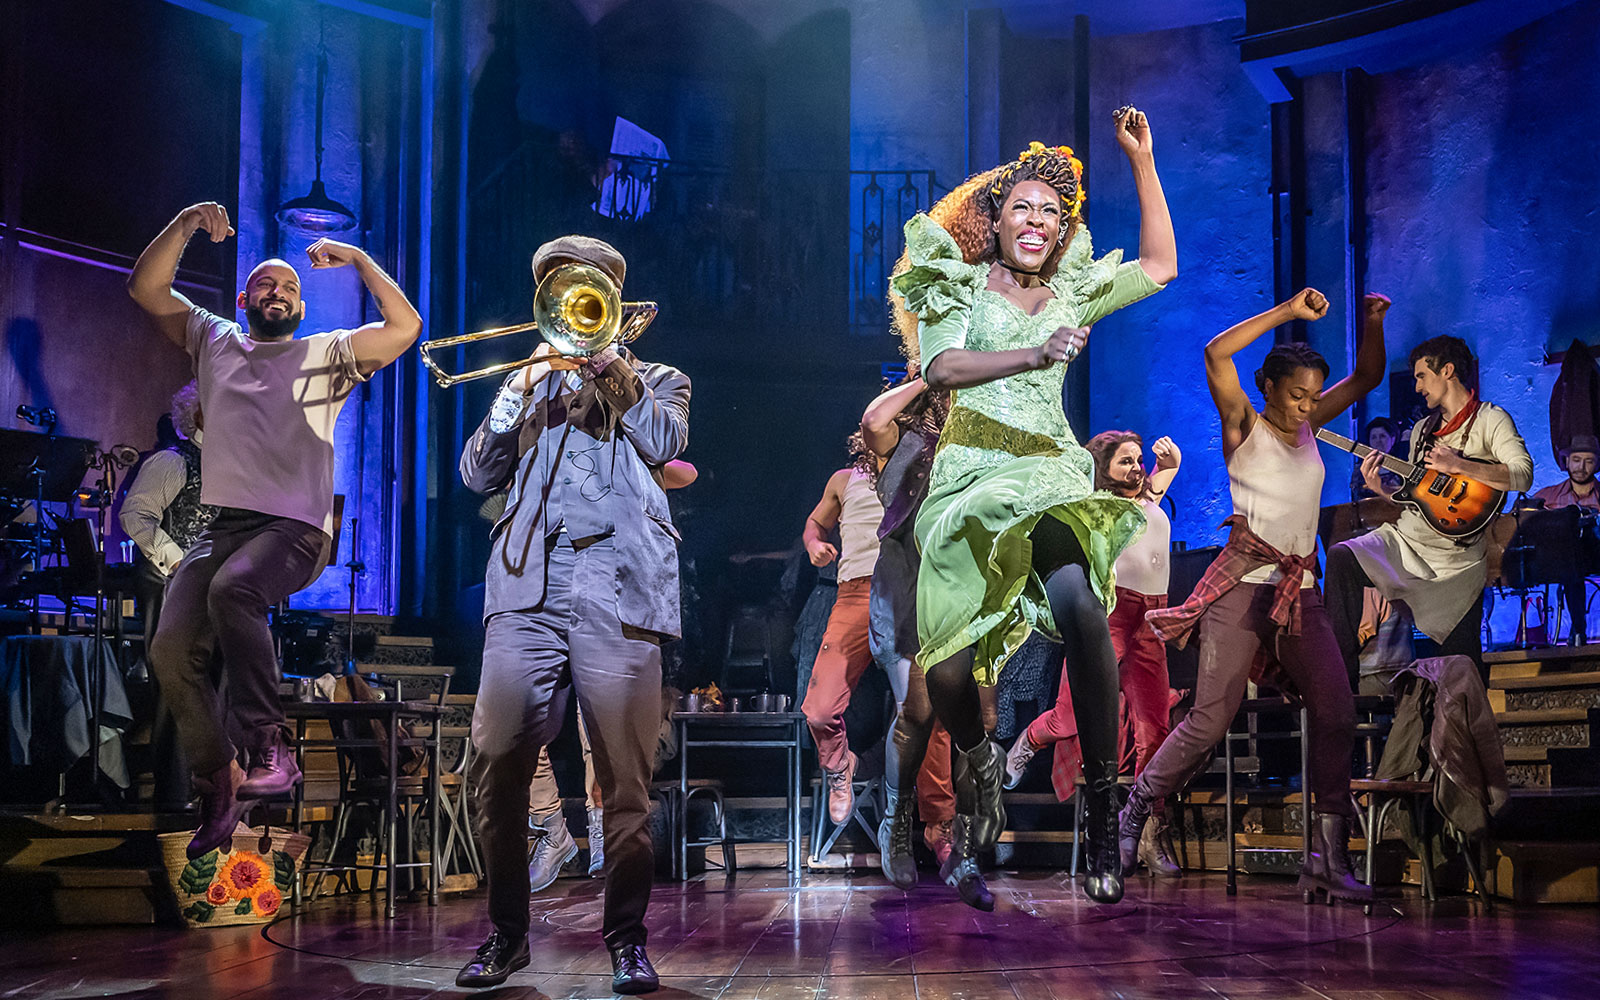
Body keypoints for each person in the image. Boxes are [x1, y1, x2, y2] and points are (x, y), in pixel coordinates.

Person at [889, 107, 1177, 908]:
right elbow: (942, 365)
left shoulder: (1070, 293)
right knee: (946, 674)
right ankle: (981, 759)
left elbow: (1159, 265)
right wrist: (1034, 351)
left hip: (1047, 471)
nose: (1038, 220)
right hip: (970, 476)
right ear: (997, 216)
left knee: (1082, 604)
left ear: (1060, 231)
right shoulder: (957, 281)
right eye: (1023, 206)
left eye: (1052, 212)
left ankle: (1100, 803)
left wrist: (1143, 160)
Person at [128, 202, 421, 858]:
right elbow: (145, 288)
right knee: (170, 649)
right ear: (243, 299)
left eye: (289, 286)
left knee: (234, 589)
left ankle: (268, 746)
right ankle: (219, 779)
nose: (279, 291)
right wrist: (182, 223)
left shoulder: (329, 353)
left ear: (302, 305)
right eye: (266, 283)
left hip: (295, 529)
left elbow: (405, 326)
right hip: (225, 526)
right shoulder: (214, 339)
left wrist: (359, 260)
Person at [456, 236, 688, 993]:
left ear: (614, 302)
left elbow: (663, 439)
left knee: (623, 783)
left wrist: (608, 367)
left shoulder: (657, 378)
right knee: (496, 760)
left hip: (620, 588)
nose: (574, 304)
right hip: (526, 587)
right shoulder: (529, 389)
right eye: (560, 290)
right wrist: (512, 396)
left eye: (586, 292)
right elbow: (474, 474)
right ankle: (506, 934)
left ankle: (625, 936)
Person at [1126, 289, 1389, 904]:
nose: (1306, 406)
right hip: (1243, 588)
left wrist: (1373, 320)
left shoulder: (1312, 424)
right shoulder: (1244, 425)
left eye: (1313, 396)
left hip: (1300, 590)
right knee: (1210, 719)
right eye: (1295, 393)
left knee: (1337, 711)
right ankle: (1136, 805)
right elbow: (1216, 353)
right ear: (1268, 387)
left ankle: (1326, 857)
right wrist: (1287, 313)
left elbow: (1371, 373)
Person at [1007, 430, 1183, 877]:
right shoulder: (1098, 509)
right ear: (1102, 470)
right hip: (1113, 614)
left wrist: (1170, 463)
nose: (1137, 467)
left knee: (1154, 728)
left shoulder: (1149, 500)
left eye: (1138, 459)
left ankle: (1144, 830)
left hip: (1152, 619)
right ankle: (1030, 739)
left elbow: (1163, 476)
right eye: (1125, 461)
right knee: (1069, 717)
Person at [1326, 336, 1533, 684]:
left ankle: (1466, 733)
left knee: (1459, 667)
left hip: (1457, 563)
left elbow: (1523, 475)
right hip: (1408, 541)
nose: (1418, 386)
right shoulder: (1422, 431)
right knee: (1342, 558)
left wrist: (1459, 465)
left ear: (1447, 371)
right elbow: (1419, 497)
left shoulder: (1491, 419)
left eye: (1422, 375)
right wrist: (1382, 489)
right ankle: (1340, 688)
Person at [859, 371, 958, 886]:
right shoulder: (901, 442)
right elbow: (874, 418)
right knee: (919, 712)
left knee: (967, 717)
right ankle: (902, 825)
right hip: (903, 591)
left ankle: (947, 823)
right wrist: (928, 374)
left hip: (956, 590)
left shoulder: (967, 444)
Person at [119, 381, 217, 810]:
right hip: (171, 587)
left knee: (213, 691)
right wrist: (177, 562)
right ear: (197, 414)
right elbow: (135, 514)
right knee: (177, 690)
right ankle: (174, 797)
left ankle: (210, 794)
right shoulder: (172, 461)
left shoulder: (233, 467)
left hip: (215, 592)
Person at [799, 433, 888, 826]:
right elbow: (815, 523)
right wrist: (814, 543)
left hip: (908, 592)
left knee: (928, 711)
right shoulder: (844, 479)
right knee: (819, 710)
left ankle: (936, 817)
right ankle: (839, 768)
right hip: (854, 593)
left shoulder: (922, 470)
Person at [1533, 434, 1599, 512]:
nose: (1581, 467)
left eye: (1589, 462)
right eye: (1576, 460)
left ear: (1597, 464)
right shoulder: (1545, 497)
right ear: (1567, 461)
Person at [1350, 417, 1403, 499]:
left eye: (1382, 436)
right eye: (1374, 437)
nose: (1378, 441)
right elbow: (1357, 494)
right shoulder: (1361, 468)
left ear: (1392, 439)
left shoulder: (1402, 465)